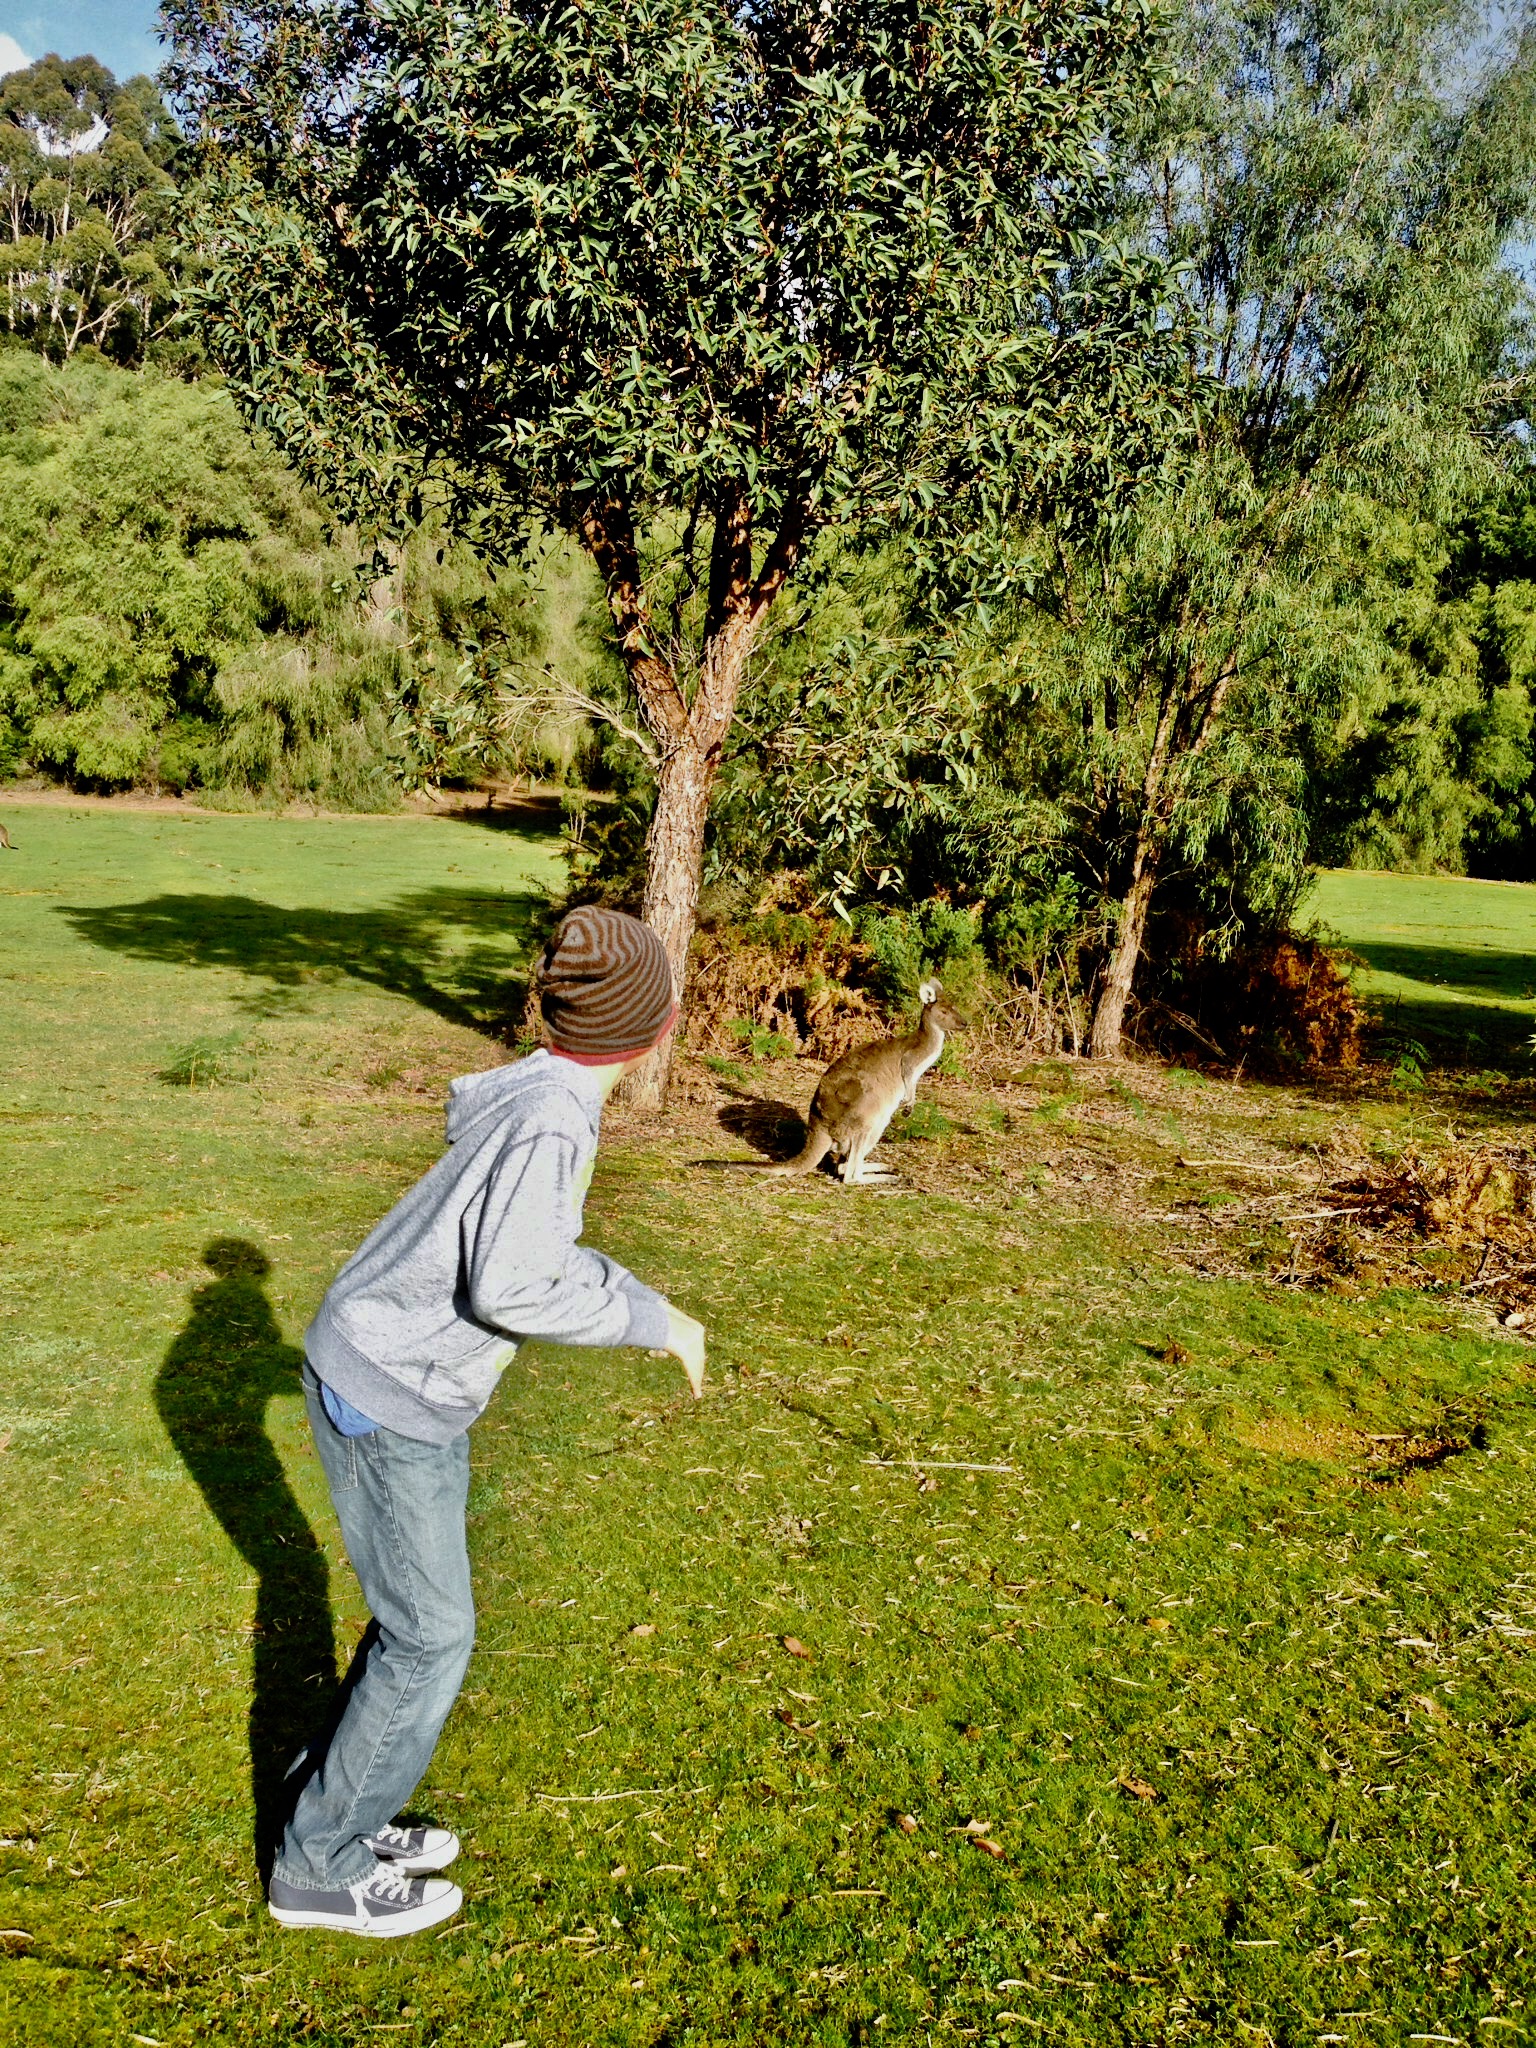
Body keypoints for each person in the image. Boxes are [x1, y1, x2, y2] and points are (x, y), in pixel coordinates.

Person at [266, 906, 706, 1937]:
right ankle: (316, 1864)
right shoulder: (555, 1118)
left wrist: (638, 1297)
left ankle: (344, 1805)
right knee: (430, 1636)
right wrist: (649, 1316)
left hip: (396, 1373)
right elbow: (514, 1283)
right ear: (651, 1026)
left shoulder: (546, 1090)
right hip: (389, 1388)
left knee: (413, 1622)